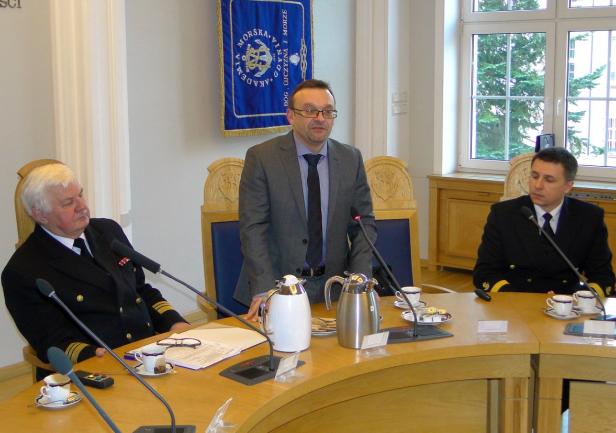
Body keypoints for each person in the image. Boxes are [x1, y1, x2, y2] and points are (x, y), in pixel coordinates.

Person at [2, 163, 190, 377]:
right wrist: (95, 356)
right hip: (93, 371)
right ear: (40, 215)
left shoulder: (108, 231)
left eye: (80, 195)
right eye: (68, 203)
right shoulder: (23, 270)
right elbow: (51, 339)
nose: (82, 206)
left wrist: (173, 322)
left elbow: (140, 290)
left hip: (147, 356)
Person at [234, 79, 377, 319]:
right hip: (276, 289)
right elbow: (253, 228)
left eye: (328, 111)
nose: (320, 118)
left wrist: (360, 280)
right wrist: (264, 288)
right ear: (291, 116)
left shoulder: (350, 158)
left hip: (335, 289)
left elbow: (364, 225)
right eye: (310, 110)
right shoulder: (262, 158)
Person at [473, 147, 614, 296]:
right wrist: (517, 299)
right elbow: (485, 272)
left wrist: (577, 300)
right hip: (515, 300)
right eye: (534, 176)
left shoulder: (589, 217)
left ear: (568, 186)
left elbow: (603, 277)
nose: (538, 186)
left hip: (567, 303)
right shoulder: (503, 214)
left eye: (549, 179)